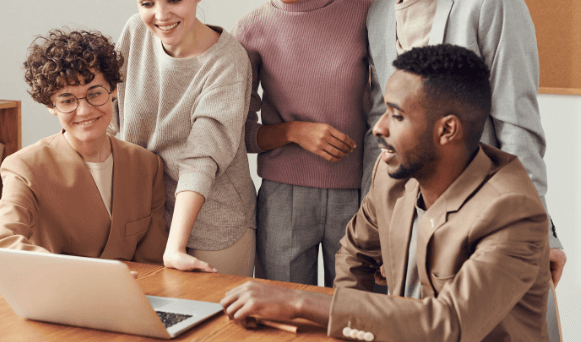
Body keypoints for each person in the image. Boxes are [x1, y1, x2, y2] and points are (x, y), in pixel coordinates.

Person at [222, 44, 551, 341]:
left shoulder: (512, 211)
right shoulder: (392, 175)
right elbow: (355, 253)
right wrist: (347, 332)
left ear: (447, 129)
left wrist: (300, 301)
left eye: (397, 116)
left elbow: (448, 324)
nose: (379, 129)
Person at [345, 0, 566, 285]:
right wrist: (377, 232)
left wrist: (539, 230)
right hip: (408, 219)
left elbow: (518, 125)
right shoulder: (376, 13)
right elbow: (383, 127)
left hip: (484, 213)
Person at [232, 0, 373, 286]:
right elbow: (238, 134)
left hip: (358, 196)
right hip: (281, 198)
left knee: (356, 318)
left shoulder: (368, 15)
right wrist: (293, 132)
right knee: (282, 322)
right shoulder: (251, 30)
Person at [114, 0, 256, 276]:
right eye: (147, 2)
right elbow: (110, 114)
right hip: (147, 215)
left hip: (215, 223)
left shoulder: (227, 60)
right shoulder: (135, 33)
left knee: (217, 326)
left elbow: (202, 156)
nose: (161, 16)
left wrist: (175, 246)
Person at [0, 29, 167, 265]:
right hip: (59, 296)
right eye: (68, 100)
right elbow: (0, 243)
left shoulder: (147, 165)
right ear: (50, 105)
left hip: (136, 294)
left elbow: (153, 259)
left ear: (113, 92)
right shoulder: (25, 167)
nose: (85, 111)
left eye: (95, 93)